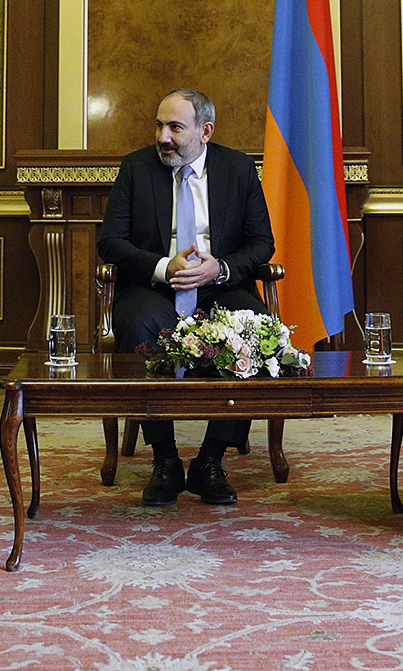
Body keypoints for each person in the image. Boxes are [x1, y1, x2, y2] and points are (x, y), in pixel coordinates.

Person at [97, 87, 276, 506]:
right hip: (154, 285)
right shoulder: (136, 168)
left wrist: (221, 267)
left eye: (175, 127)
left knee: (254, 327)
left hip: (221, 286)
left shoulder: (237, 169)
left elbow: (261, 242)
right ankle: (165, 460)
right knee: (138, 324)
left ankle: (210, 460)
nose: (163, 137)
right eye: (159, 125)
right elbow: (110, 242)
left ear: (205, 131)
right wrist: (164, 266)